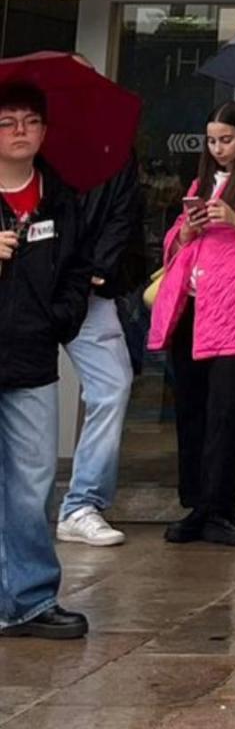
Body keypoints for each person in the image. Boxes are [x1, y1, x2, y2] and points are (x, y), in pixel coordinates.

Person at [146, 102, 235, 547]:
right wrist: (186, 231)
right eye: (212, 139)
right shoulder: (203, 181)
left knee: (227, 410)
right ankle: (197, 503)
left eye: (226, 138)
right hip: (193, 305)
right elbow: (173, 240)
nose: (218, 147)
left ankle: (222, 504)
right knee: (190, 406)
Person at [0, 79, 93, 639]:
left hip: (32, 360)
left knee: (33, 484)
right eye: (7, 122)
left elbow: (77, 270)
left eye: (30, 121)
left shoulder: (60, 198)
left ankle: (30, 599)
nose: (19, 132)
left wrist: (60, 317)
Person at [55, 154, 145, 548]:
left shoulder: (113, 148)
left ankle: (81, 504)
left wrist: (101, 267)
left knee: (112, 384)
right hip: (21, 286)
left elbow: (123, 214)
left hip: (85, 289)